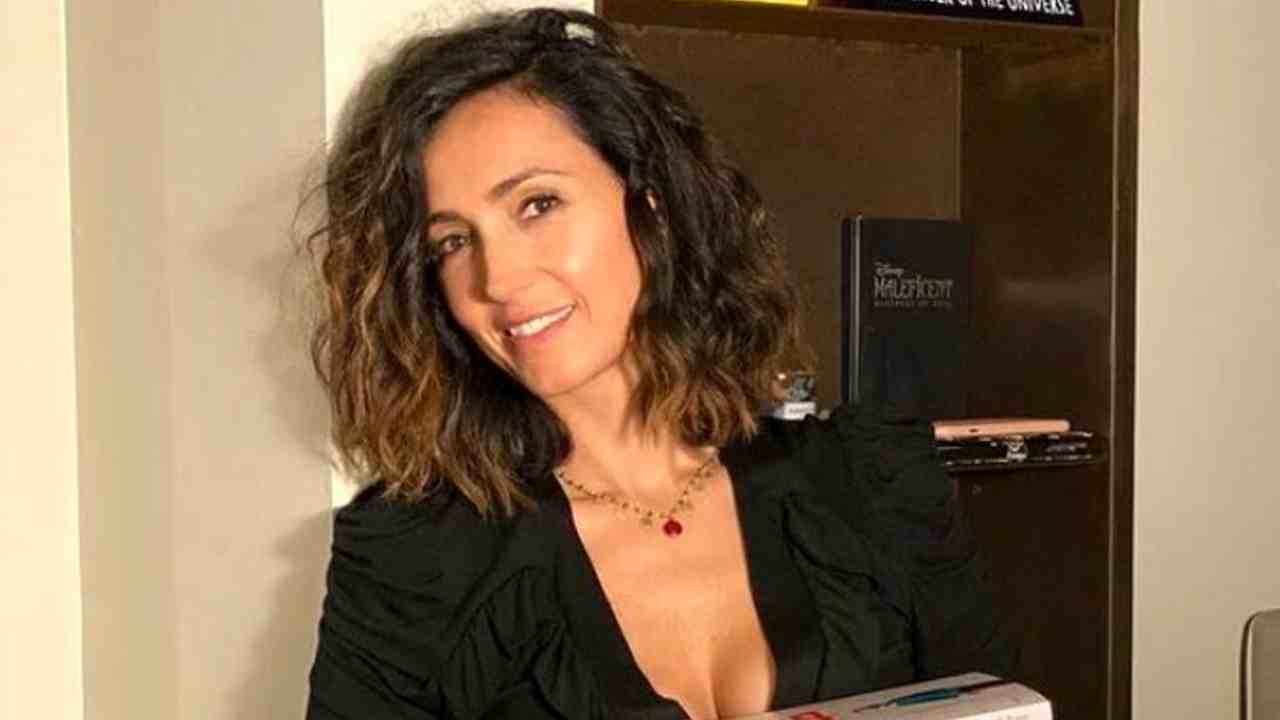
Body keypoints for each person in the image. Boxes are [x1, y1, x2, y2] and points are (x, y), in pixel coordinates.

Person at [303, 8, 1014, 720]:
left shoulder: (876, 485)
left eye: (537, 204)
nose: (498, 279)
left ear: (652, 208)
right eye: (453, 243)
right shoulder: (413, 565)